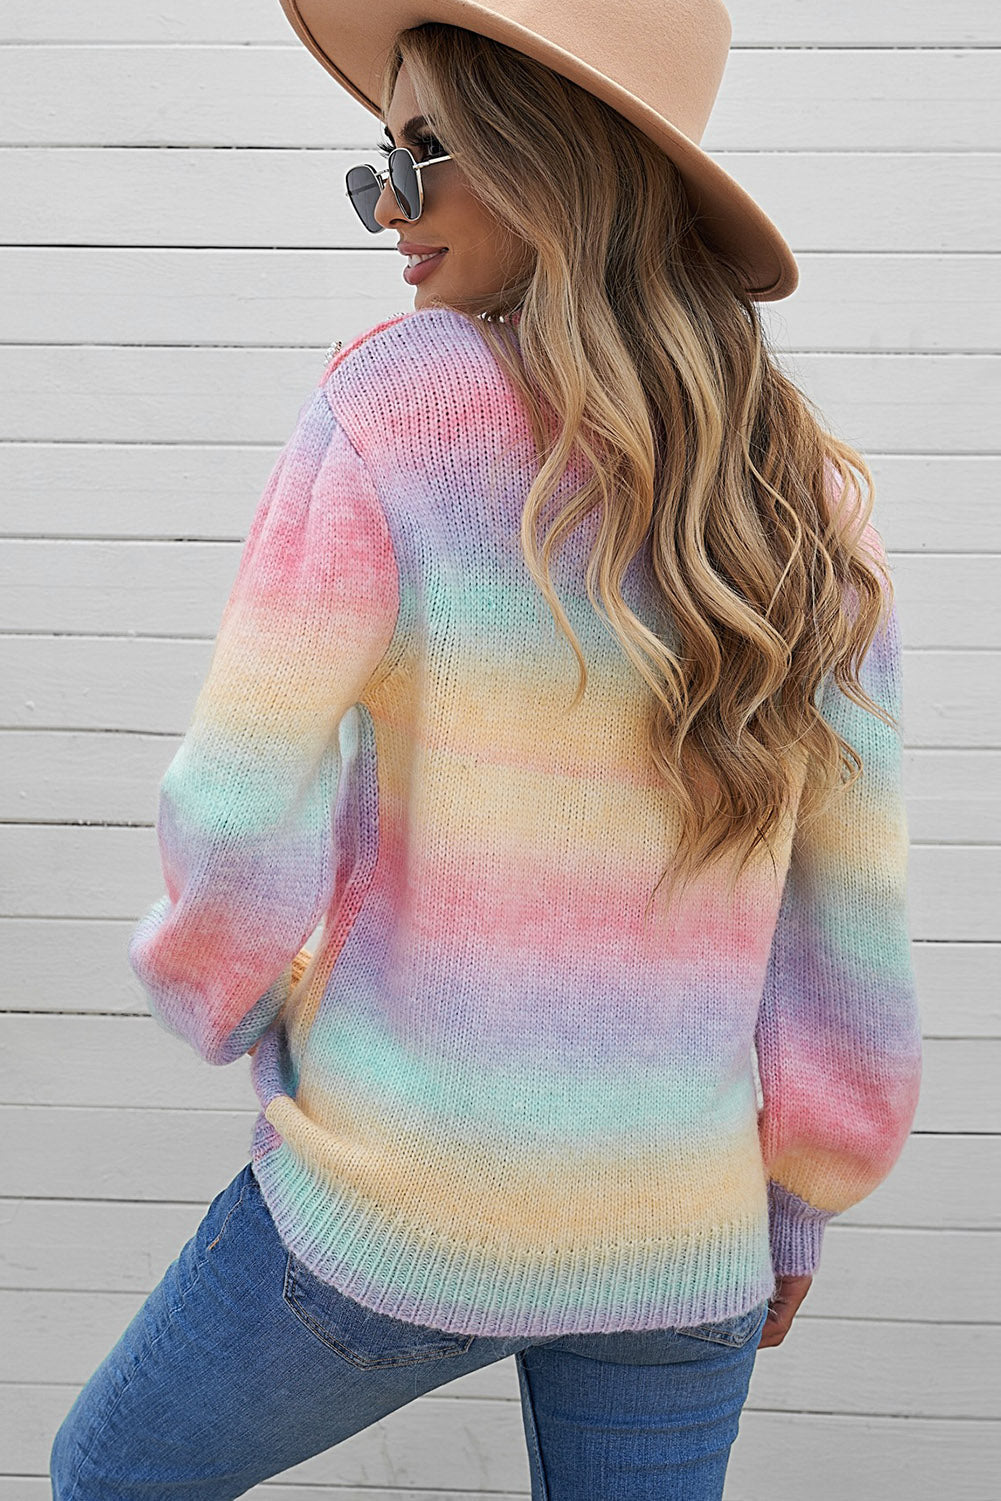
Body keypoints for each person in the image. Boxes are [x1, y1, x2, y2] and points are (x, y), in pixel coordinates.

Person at [49, 2, 923, 1497]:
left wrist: (240, 999)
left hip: (408, 1206)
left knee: (108, 1475)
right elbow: (845, 905)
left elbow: (239, 801)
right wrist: (797, 1198)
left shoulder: (395, 410)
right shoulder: (802, 492)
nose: (384, 202)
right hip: (682, 1229)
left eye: (421, 151)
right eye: (378, 157)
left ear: (550, 154)